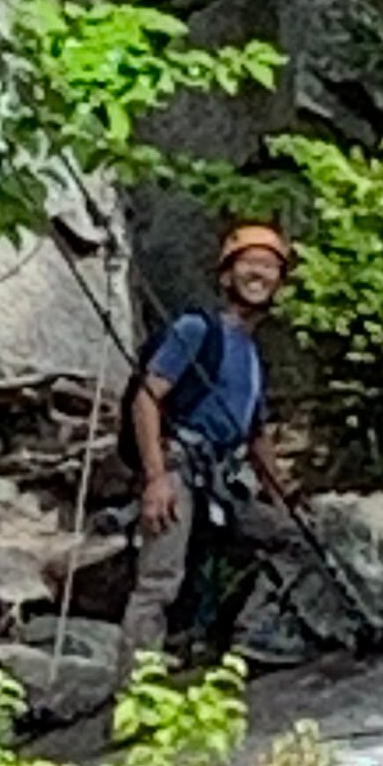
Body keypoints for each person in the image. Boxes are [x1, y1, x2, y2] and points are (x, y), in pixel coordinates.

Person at [119, 222, 296, 667]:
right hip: (179, 465)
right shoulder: (198, 330)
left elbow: (255, 436)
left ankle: (250, 635)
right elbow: (147, 396)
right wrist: (156, 478)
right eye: (248, 264)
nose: (259, 274)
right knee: (161, 581)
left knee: (293, 543)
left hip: (220, 477)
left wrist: (281, 499)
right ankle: (134, 690)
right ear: (225, 276)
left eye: (270, 267)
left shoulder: (252, 356)